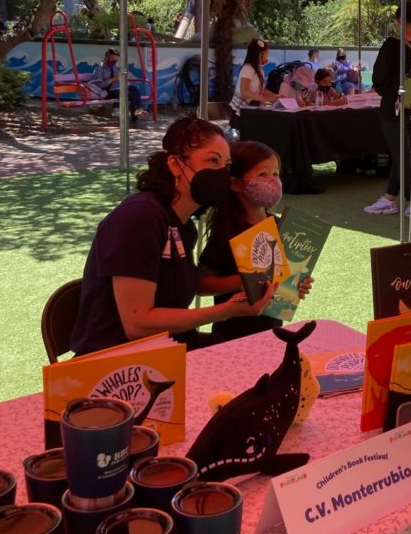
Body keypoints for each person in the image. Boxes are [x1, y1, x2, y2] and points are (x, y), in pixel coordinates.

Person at [70, 116, 274, 356]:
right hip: (120, 361)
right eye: (212, 160)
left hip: (168, 348)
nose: (221, 174)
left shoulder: (183, 226)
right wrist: (227, 310)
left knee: (258, 352)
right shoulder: (140, 218)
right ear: (175, 165)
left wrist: (249, 283)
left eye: (226, 165)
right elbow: (137, 324)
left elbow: (190, 286)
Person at [199, 140, 312, 342]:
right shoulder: (228, 231)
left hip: (272, 331)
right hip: (231, 335)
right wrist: (241, 282)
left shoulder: (280, 226)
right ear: (236, 183)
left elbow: (284, 279)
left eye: (275, 174)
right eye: (262, 175)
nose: (272, 181)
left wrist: (296, 285)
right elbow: (201, 283)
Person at [364, 1, 411, 221]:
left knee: (402, 155)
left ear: (403, 20)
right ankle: (389, 198)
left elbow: (378, 77)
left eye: (397, 20)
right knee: (403, 153)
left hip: (393, 105)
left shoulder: (392, 45)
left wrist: (386, 91)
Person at [229, 38, 278, 127]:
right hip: (241, 111)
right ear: (260, 54)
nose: (267, 57)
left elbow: (262, 90)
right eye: (266, 54)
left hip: (251, 109)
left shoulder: (259, 69)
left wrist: (275, 96)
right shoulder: (248, 68)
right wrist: (264, 99)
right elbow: (244, 91)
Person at [89, 48, 143, 126]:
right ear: (107, 57)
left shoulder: (113, 67)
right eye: (113, 60)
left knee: (134, 89)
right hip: (108, 92)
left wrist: (121, 78)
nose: (114, 63)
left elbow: (117, 79)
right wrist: (112, 79)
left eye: (116, 61)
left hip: (118, 88)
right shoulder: (99, 69)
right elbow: (100, 85)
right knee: (129, 94)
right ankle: (135, 114)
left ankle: (138, 110)